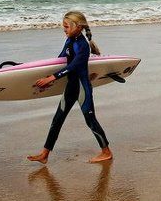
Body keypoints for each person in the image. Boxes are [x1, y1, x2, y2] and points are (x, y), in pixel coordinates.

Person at [27, 11, 112, 165]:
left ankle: (106, 152)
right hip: (70, 87)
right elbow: (59, 60)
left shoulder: (83, 45)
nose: (64, 29)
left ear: (78, 27)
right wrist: (44, 74)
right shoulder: (70, 41)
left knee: (90, 120)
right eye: (63, 26)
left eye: (66, 26)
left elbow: (74, 66)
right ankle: (45, 154)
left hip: (82, 88)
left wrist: (52, 78)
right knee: (57, 119)